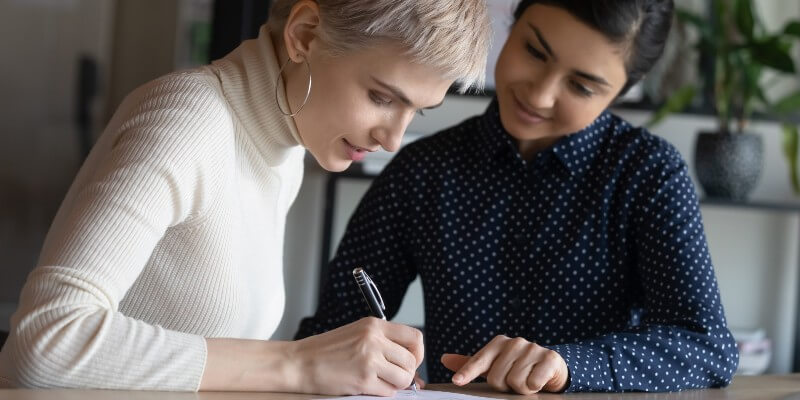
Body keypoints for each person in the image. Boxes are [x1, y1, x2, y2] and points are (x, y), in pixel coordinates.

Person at [0, 0, 490, 395]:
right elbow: (44, 341)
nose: (392, 140)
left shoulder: (284, 147)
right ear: (304, 35)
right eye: (382, 97)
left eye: (417, 112)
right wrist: (298, 365)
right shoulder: (187, 121)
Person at [296, 0, 740, 395]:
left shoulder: (648, 174)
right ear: (510, 26)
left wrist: (568, 364)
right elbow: (332, 334)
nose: (540, 94)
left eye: (582, 87)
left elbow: (707, 345)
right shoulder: (422, 170)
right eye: (534, 51)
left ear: (619, 94)